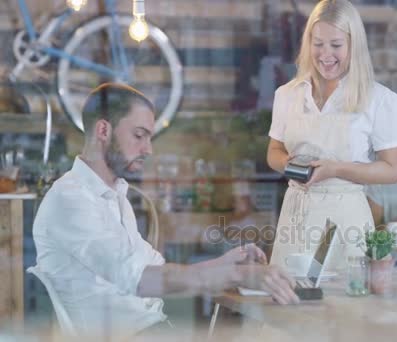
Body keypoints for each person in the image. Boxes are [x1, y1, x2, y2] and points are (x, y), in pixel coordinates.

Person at [32, 83, 299, 339]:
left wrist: (227, 263)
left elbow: (156, 268)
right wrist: (238, 275)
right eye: (139, 135)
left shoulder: (113, 196)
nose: (148, 149)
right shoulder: (71, 199)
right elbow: (142, 280)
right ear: (103, 130)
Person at [267, 0, 397, 271]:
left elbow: (392, 170)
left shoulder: (380, 99)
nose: (325, 54)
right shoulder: (287, 94)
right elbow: (274, 152)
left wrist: (335, 169)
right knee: (289, 305)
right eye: (318, 43)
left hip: (346, 221)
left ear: (354, 45)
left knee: (347, 308)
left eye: (336, 45)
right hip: (295, 215)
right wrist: (294, 167)